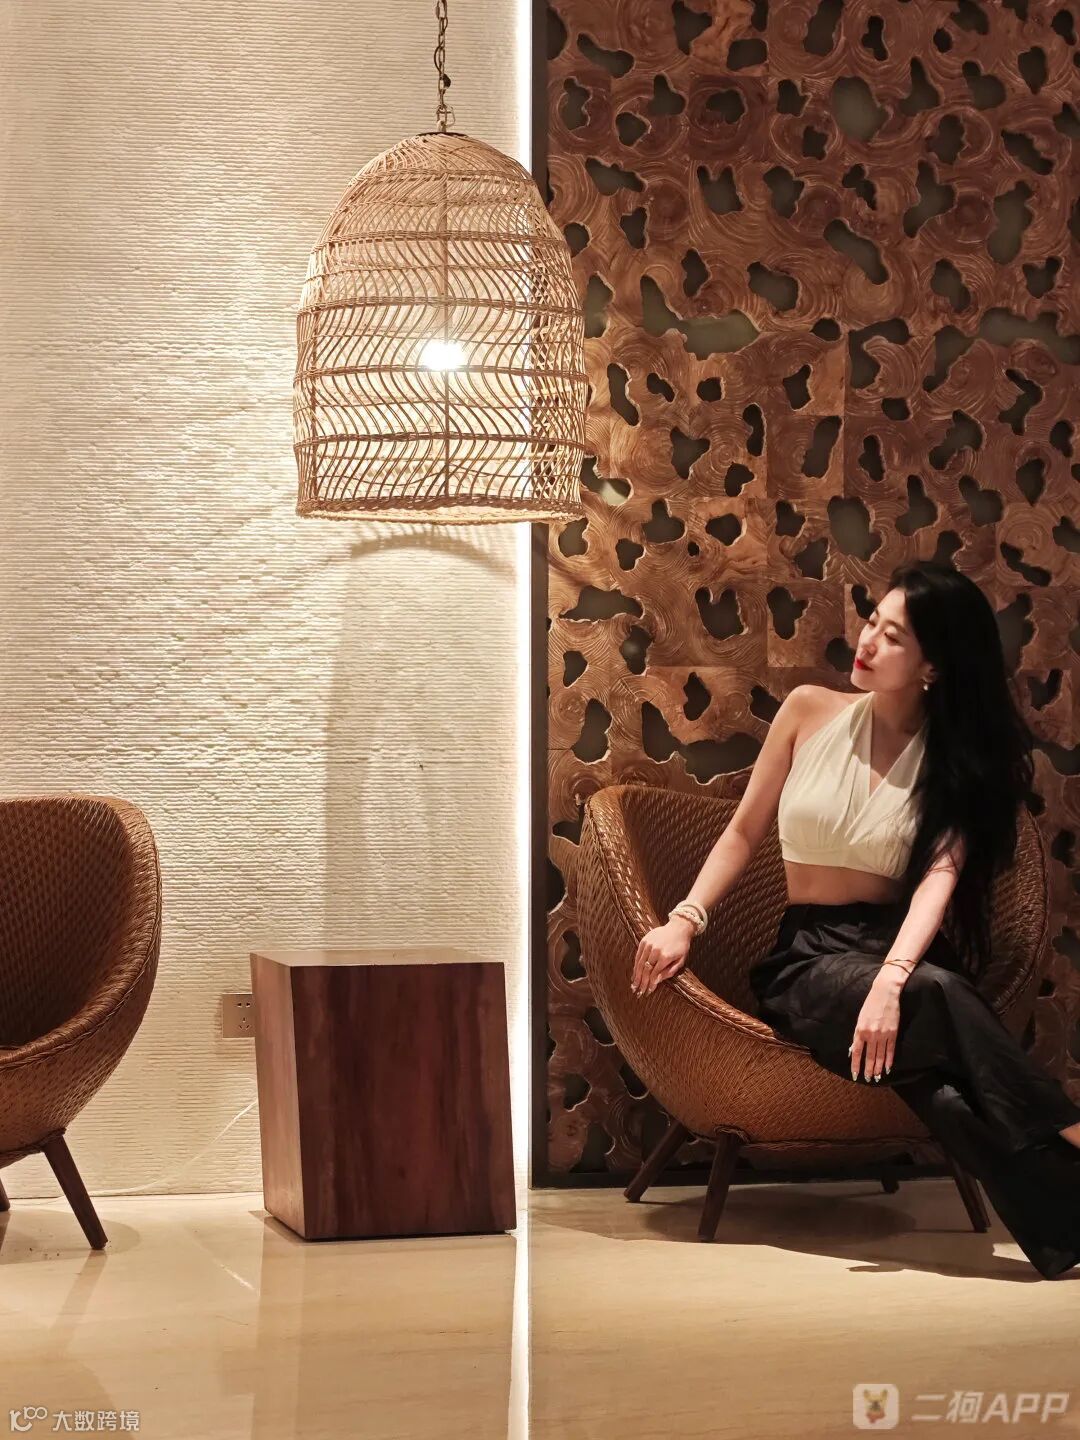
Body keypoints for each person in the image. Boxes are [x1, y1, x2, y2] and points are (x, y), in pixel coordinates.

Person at [628, 560, 1080, 1279]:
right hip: (809, 957)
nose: (867, 641)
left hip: (898, 948)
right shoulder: (809, 710)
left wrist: (890, 980)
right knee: (937, 995)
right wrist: (686, 918)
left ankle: (1066, 1233)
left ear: (933, 665)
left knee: (944, 1095)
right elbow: (743, 831)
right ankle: (1069, 1126)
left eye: (893, 636)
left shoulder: (956, 761)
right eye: (873, 621)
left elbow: (939, 879)